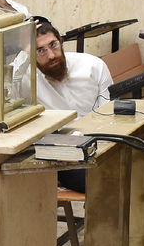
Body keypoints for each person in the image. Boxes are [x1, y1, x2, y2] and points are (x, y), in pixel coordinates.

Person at [23, 20, 113, 193]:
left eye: (53, 45)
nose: (51, 55)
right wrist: (23, 54)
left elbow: (109, 114)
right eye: (40, 50)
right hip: (64, 157)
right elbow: (2, 98)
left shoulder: (93, 65)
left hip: (103, 145)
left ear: (61, 41)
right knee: (107, 184)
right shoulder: (26, 79)